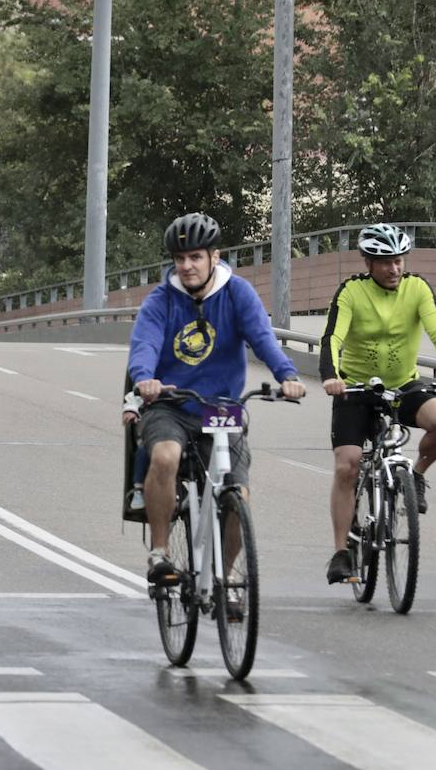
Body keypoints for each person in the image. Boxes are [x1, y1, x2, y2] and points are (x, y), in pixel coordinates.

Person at [127, 212, 305, 585]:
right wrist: (145, 379)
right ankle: (159, 554)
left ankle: (222, 580)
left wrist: (287, 375)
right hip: (171, 405)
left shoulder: (237, 292)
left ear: (214, 256)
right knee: (165, 456)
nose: (187, 266)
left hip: (221, 409)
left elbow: (262, 339)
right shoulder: (161, 300)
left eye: (195, 257)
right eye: (180, 259)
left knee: (238, 496)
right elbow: (144, 344)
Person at [320, 223, 436, 584]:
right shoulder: (352, 291)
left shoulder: (417, 289)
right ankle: (341, 552)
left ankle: (415, 476)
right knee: (347, 465)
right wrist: (331, 376)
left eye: (399, 260)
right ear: (369, 263)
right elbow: (333, 337)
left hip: (403, 385)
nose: (394, 269)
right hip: (355, 390)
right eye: (385, 262)